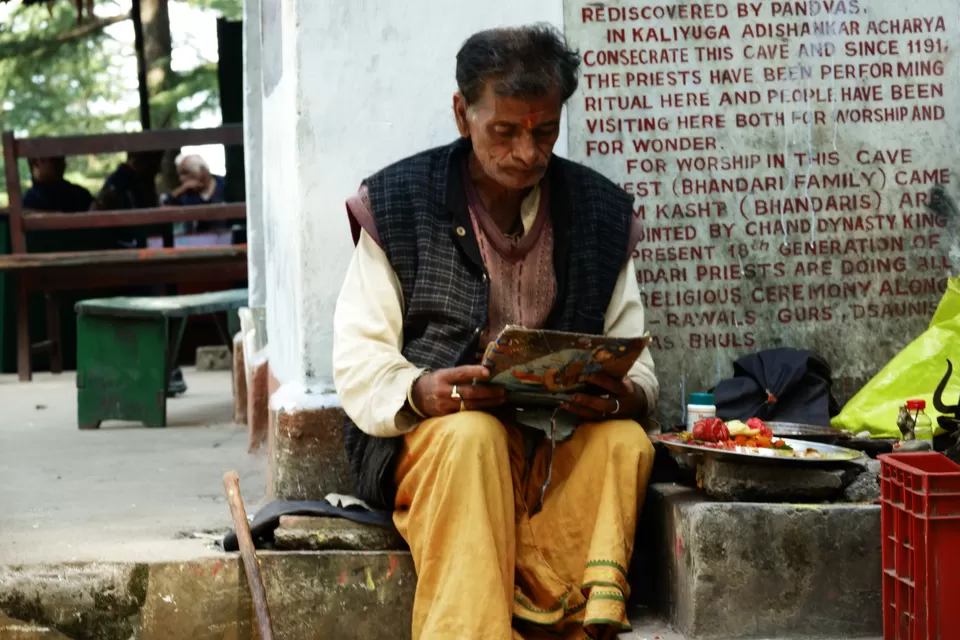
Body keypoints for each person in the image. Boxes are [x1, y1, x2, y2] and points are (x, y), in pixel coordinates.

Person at [333, 25, 658, 640]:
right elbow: (359, 359)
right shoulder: (399, 202)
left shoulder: (599, 210)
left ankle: (563, 614)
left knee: (625, 442)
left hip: (553, 448)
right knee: (473, 435)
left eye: (545, 132)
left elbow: (635, 360)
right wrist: (424, 390)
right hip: (442, 447)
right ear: (463, 114)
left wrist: (619, 395)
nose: (527, 153)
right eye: (504, 131)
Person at [93, 150, 187, 397]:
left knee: (161, 280)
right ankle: (157, 368)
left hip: (138, 254)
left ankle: (163, 367)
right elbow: (103, 222)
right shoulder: (119, 183)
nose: (156, 170)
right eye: (152, 163)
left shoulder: (140, 183)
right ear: (137, 160)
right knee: (150, 288)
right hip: (119, 257)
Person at [22, 157, 93, 213]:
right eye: (55, 160)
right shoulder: (27, 202)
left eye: (62, 159)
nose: (63, 164)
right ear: (36, 162)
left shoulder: (80, 195)